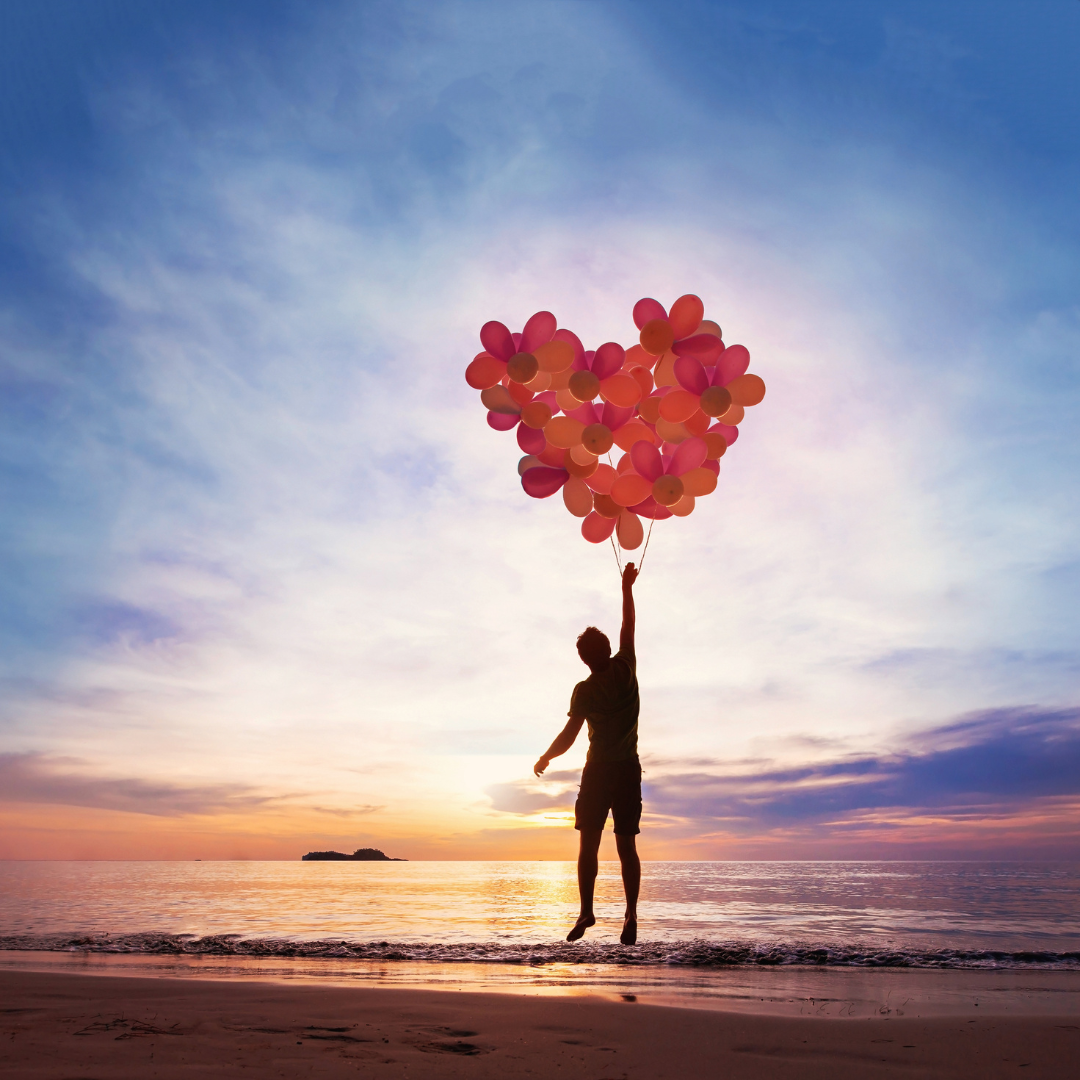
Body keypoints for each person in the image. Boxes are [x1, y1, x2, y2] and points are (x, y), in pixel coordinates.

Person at [534, 561, 641, 945]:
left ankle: (586, 910)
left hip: (597, 772)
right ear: (609, 650)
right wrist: (626, 587)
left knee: (588, 845)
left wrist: (546, 757)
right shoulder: (626, 667)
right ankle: (630, 913)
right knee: (626, 845)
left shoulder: (585, 690)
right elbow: (628, 624)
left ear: (584, 659)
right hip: (627, 769)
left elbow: (570, 734)